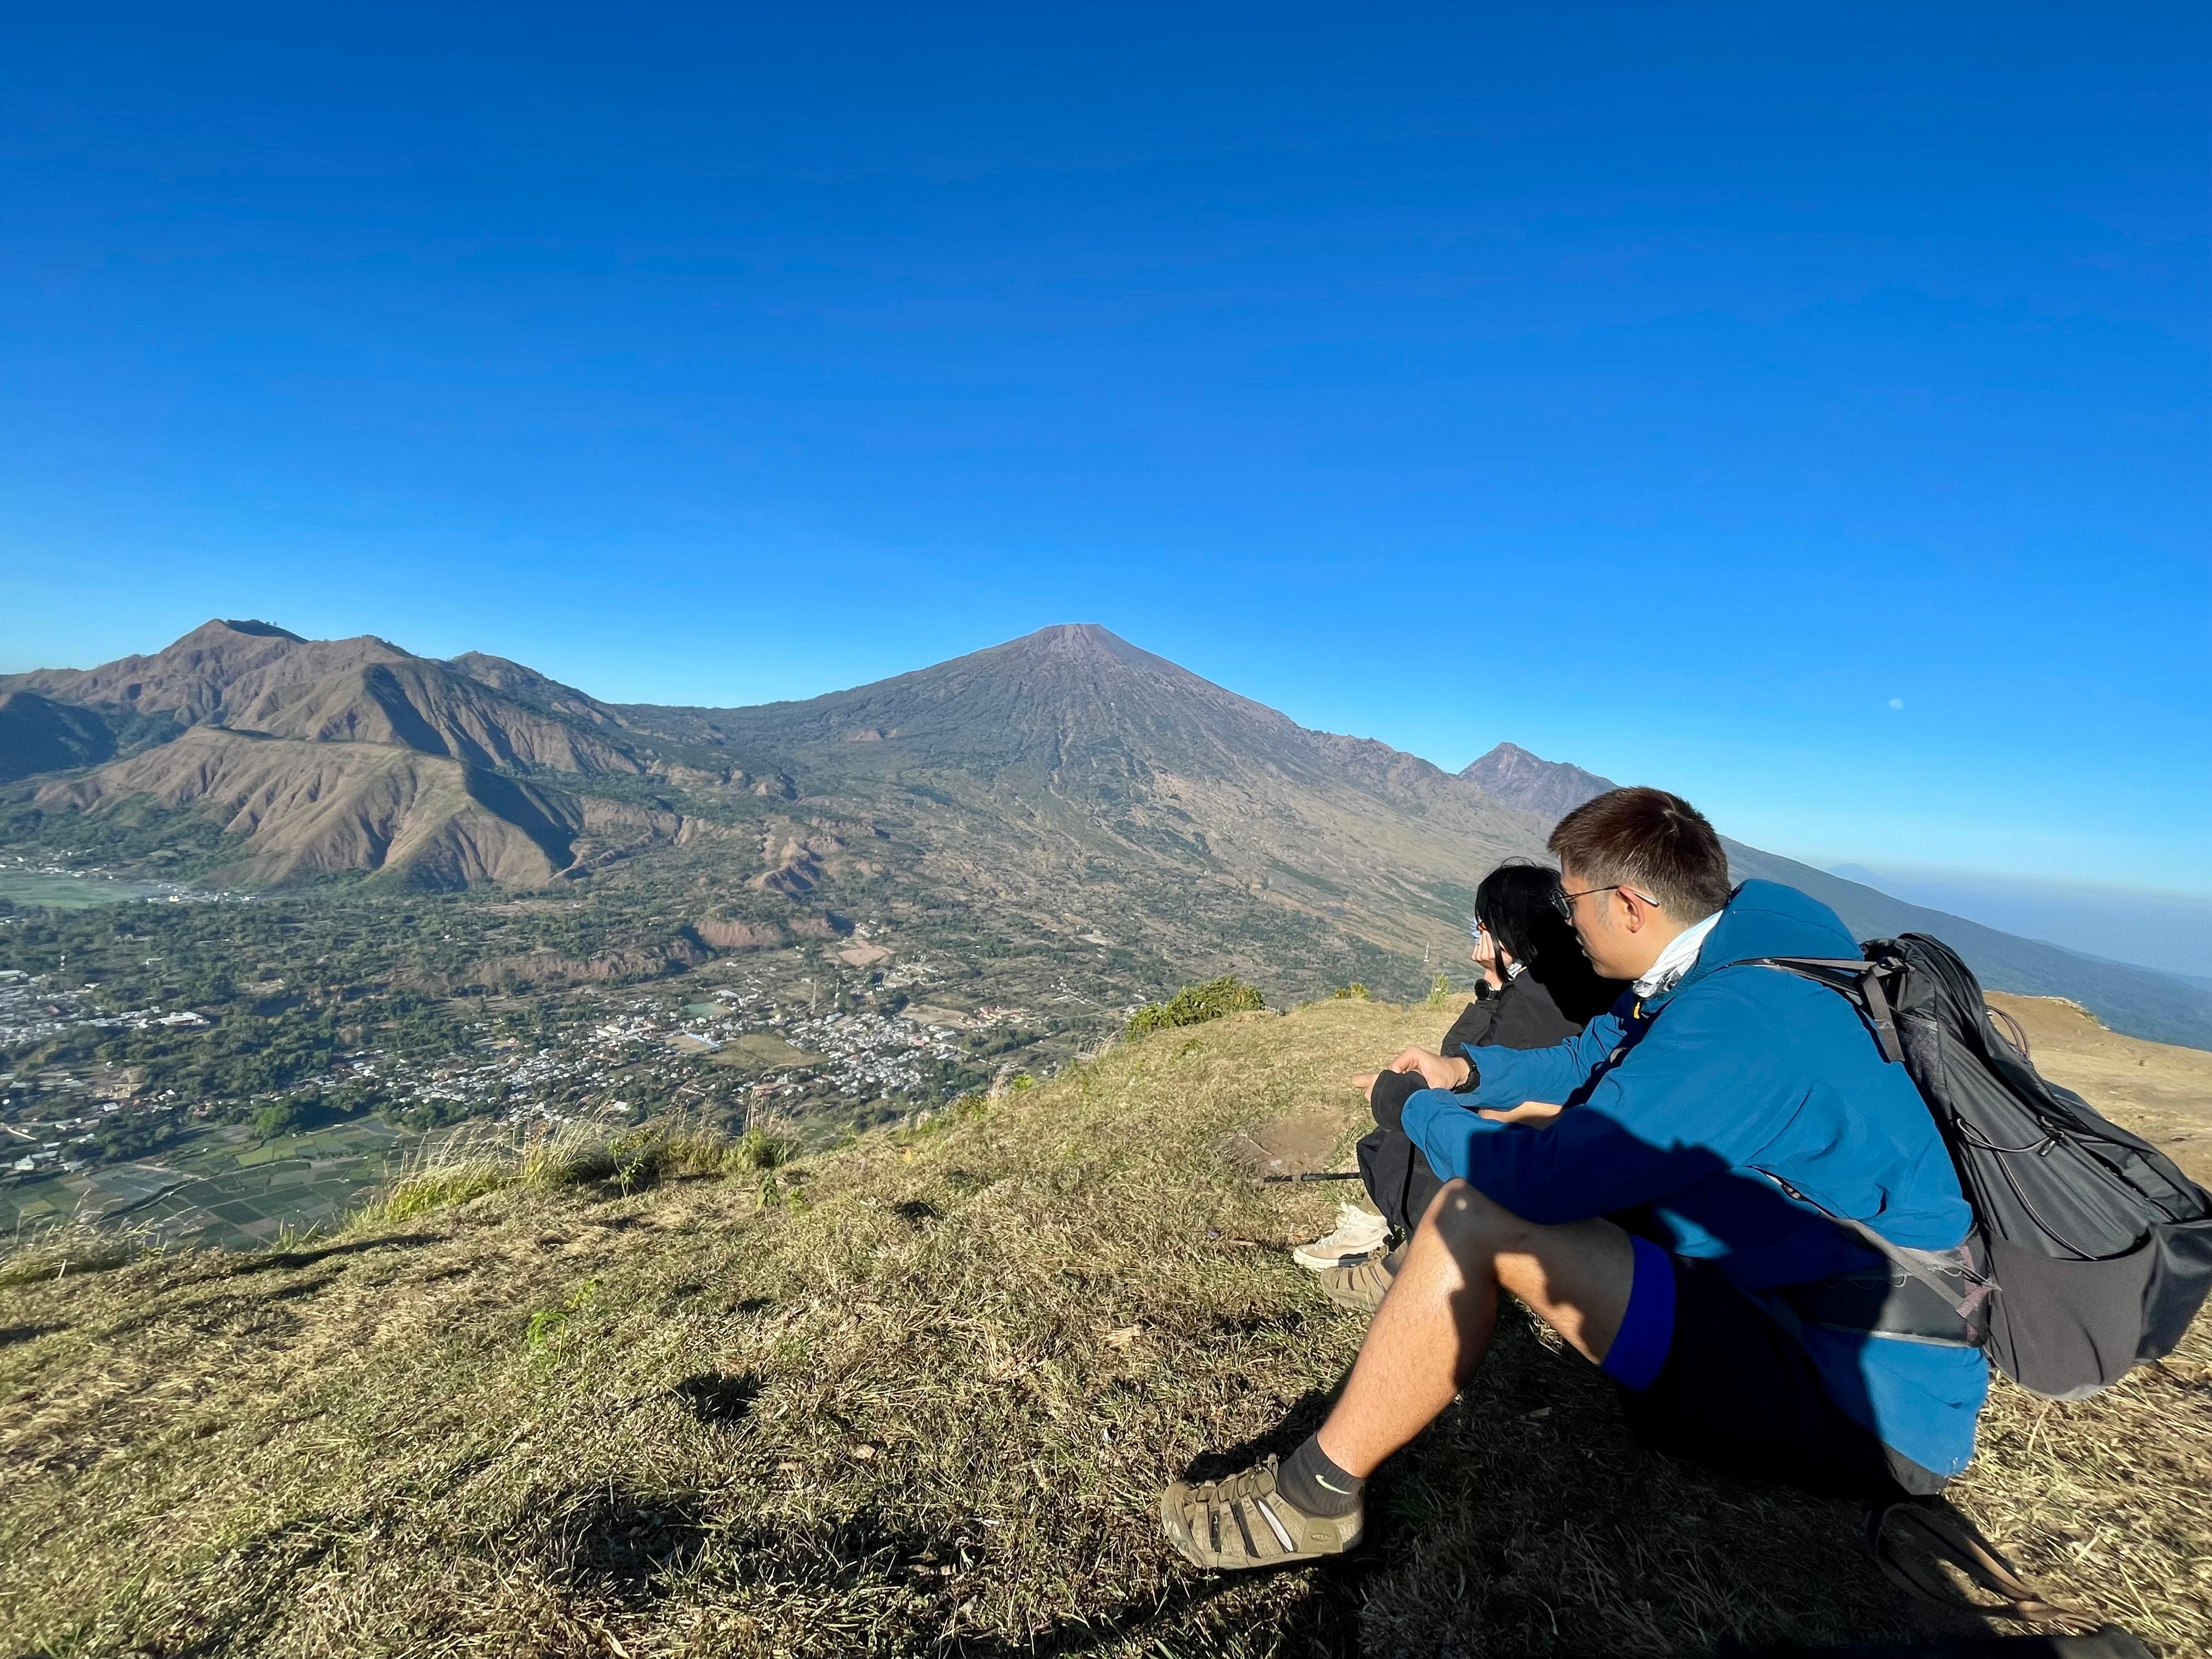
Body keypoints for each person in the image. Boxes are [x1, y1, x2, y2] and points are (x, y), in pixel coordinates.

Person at [1160, 787, 1989, 1571]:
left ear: (1630, 904)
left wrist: (1408, 1109)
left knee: (1476, 1212)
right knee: (1538, 1148)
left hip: (1863, 1408)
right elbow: (1596, 1057)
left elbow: (1539, 1185)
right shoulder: (1746, 941)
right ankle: (1399, 1285)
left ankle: (1312, 1502)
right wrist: (1462, 1073)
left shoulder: (1743, 1025)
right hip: (1791, 1299)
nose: (1566, 922)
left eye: (1573, 903)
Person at [1309, 862, 1626, 1312]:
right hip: (1564, 1146)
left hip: (1530, 1159)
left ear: (1504, 930)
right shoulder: (1583, 976)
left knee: (1407, 1137)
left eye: (1482, 926)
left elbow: (1462, 1056)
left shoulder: (1538, 994)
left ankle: (1415, 1260)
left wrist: (1495, 989)